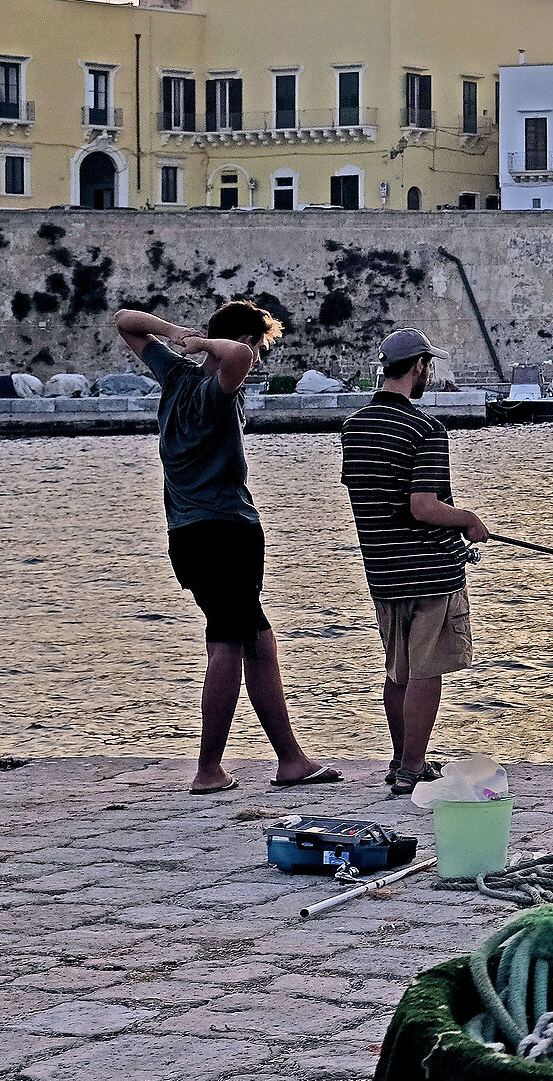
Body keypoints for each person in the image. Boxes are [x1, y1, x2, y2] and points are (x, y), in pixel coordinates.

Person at [111, 303, 340, 794]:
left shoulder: (174, 375)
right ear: (244, 341)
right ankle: (209, 768)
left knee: (258, 641)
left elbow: (126, 321)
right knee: (228, 644)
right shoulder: (217, 389)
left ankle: (291, 760)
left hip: (188, 536)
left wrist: (174, 333)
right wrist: (199, 342)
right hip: (226, 532)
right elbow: (235, 357)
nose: (257, 360)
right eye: (260, 348)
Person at [339, 330, 488, 795]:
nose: (430, 373)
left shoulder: (354, 427)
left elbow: (368, 496)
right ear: (420, 365)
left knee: (396, 668)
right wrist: (467, 519)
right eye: (429, 365)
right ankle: (411, 769)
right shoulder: (427, 429)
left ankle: (401, 758)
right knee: (425, 669)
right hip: (429, 569)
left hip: (382, 569)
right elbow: (422, 506)